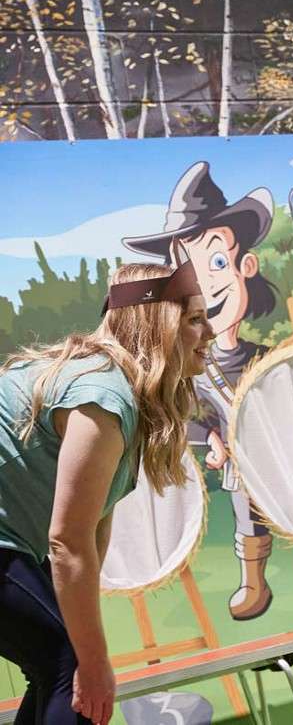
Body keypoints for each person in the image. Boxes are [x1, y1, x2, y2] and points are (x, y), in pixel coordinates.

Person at [122, 161, 293, 620]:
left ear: (246, 265)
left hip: (285, 450)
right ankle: (253, 582)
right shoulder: (191, 369)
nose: (206, 285)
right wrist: (211, 440)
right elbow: (191, 412)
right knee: (249, 515)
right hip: (240, 460)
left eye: (217, 262)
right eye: (188, 271)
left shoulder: (266, 354)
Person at [0, 262, 214, 724]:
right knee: (72, 669)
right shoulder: (103, 395)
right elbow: (67, 542)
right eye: (195, 319)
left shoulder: (129, 399)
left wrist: (86, 647)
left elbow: (94, 531)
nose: (211, 332)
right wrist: (93, 662)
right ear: (158, 325)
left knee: (62, 664)